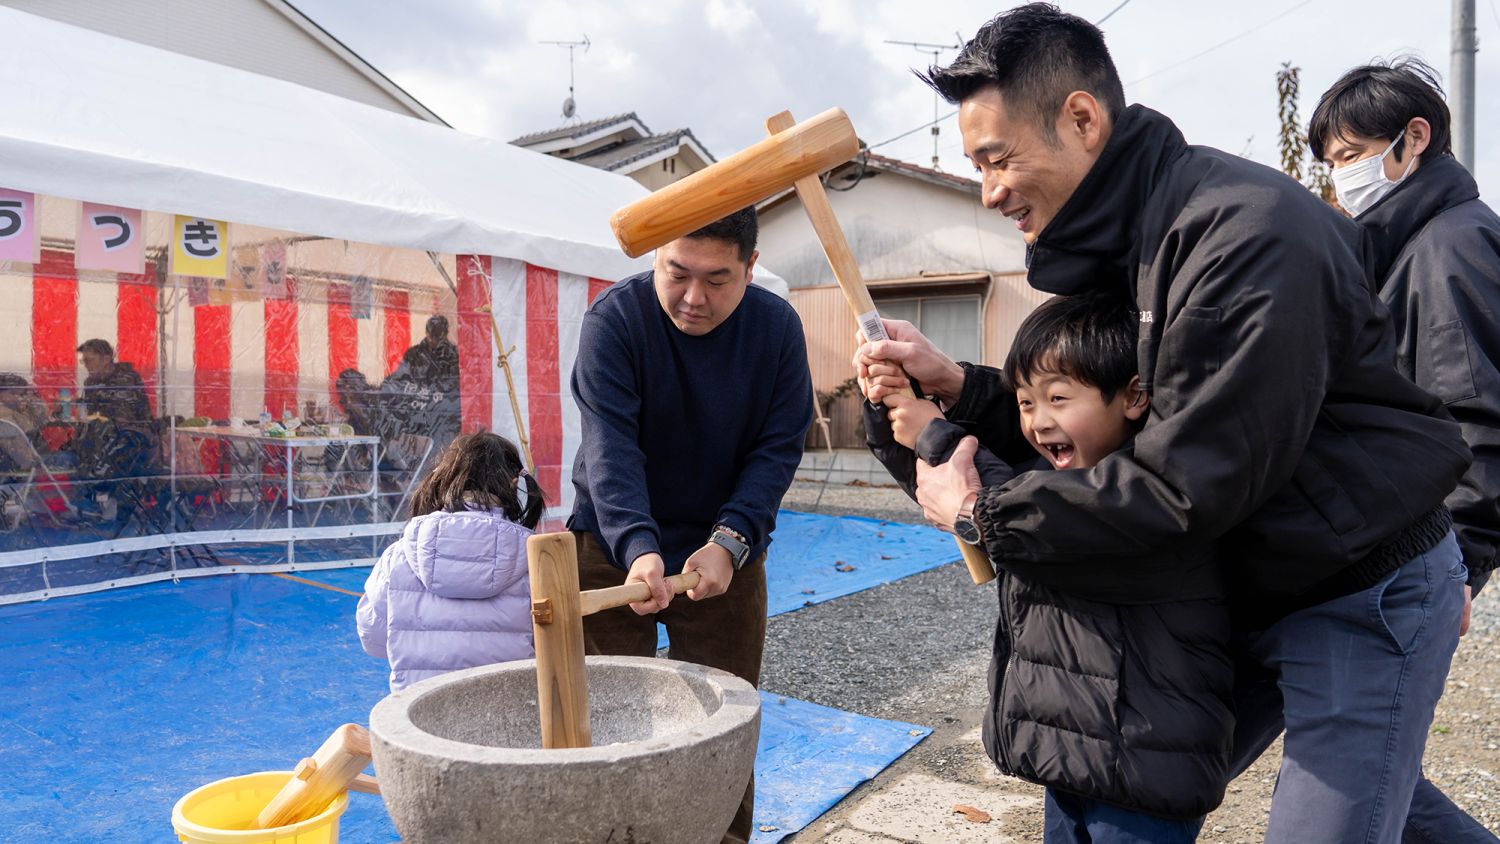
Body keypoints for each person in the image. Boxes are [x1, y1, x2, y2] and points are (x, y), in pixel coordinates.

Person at [855, 5, 1471, 841]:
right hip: (1244, 571)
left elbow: (1181, 484)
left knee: (1330, 822)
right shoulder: (1130, 238)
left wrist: (979, 511)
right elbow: (1103, 420)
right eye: (977, 165)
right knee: (1178, 788)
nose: (990, 190)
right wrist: (959, 387)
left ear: (1081, 118)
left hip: (1358, 588)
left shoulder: (1245, 239)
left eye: (998, 160)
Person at [867, 292, 1233, 840]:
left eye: (1058, 398)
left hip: (1143, 767)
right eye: (1025, 402)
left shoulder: (1147, 493)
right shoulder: (1062, 471)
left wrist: (934, 434)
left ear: (1134, 395)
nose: (1038, 422)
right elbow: (969, 483)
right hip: (1067, 748)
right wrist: (893, 405)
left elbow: (1029, 511)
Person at [568, 207, 812, 844]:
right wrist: (638, 549)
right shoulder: (614, 320)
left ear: (751, 268)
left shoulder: (777, 327)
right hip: (610, 546)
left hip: (724, 551)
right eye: (677, 273)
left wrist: (731, 540)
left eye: (718, 280)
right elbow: (610, 447)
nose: (694, 297)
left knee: (725, 724)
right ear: (654, 254)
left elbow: (777, 447)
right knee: (606, 721)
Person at [1310, 58, 1500, 844]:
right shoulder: (1411, 243)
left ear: (1413, 139)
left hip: (1415, 567)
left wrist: (1461, 564)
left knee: (1360, 776)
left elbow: (1479, 421)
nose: (1338, 177)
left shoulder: (1451, 246)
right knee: (1375, 768)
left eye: (1348, 155)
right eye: (1329, 162)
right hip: (1402, 559)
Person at [356, 432, 544, 692]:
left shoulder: (398, 555)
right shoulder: (535, 560)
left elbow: (372, 637)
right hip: (509, 718)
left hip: (417, 720)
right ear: (514, 484)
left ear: (442, 478)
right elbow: (552, 644)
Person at [394, 315, 461, 449]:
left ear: (446, 333)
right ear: (427, 332)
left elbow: (457, 384)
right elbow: (401, 380)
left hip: (444, 414)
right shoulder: (413, 354)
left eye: (439, 334)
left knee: (443, 450)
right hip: (419, 410)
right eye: (433, 334)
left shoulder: (453, 354)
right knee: (420, 450)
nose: (436, 339)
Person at [76, 339, 150, 422]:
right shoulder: (90, 382)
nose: (86, 365)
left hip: (129, 432)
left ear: (106, 359)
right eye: (84, 361)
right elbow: (91, 413)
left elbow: (123, 416)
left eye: (89, 360)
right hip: (101, 431)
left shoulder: (126, 378)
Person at [0, 373, 49, 471]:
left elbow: (41, 417)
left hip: (21, 459)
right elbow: (16, 441)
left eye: (21, 394)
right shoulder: (5, 415)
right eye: (13, 394)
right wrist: (30, 463)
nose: (18, 398)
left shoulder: (17, 410)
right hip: (23, 461)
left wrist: (31, 401)